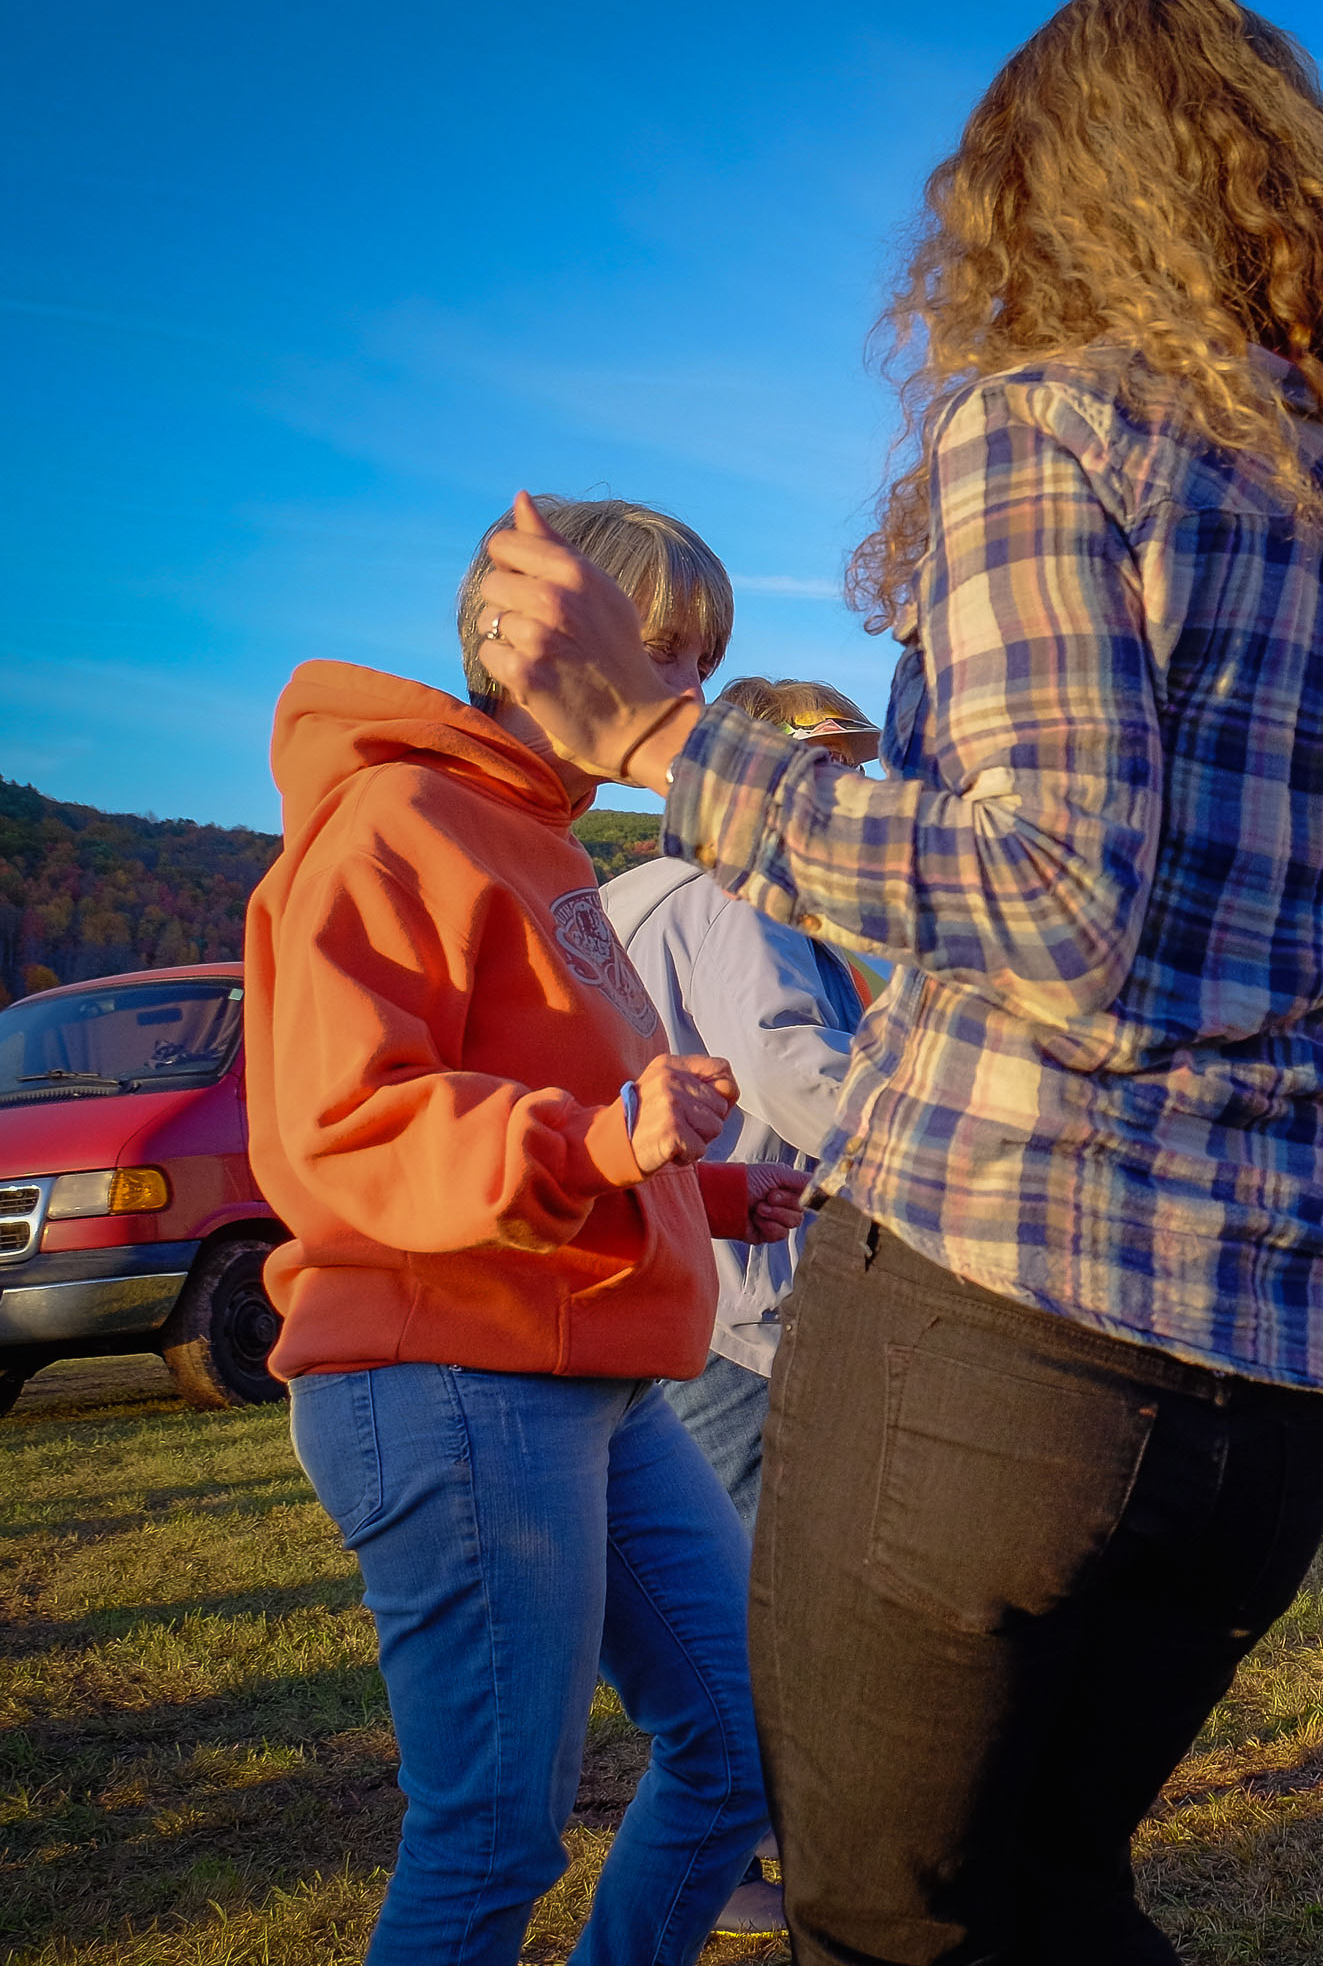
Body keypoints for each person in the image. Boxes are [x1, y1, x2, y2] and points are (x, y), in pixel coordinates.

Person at [466, 0, 1323, 1957]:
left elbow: (1054, 898)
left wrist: (663, 740)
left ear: (1036, 203)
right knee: (1048, 1897)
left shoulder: (1056, 428)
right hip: (1277, 1381)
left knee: (885, 1918)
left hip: (1004, 1311)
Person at [244, 496, 805, 1965]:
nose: (688, 686)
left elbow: (577, 1118)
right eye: (666, 644)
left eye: (704, 655)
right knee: (492, 1833)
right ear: (531, 639)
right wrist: (614, 1137)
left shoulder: (549, 847)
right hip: (448, 1373)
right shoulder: (392, 819)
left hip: (593, 1378)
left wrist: (713, 1191)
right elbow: (346, 1124)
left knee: (744, 1745)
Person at [606, 675, 880, 1527]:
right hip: (744, 1301)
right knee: (759, 1567)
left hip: (683, 1272)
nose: (856, 792)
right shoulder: (743, 899)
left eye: (855, 768)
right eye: (828, 768)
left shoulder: (650, 895)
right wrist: (940, 1137)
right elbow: (787, 1066)